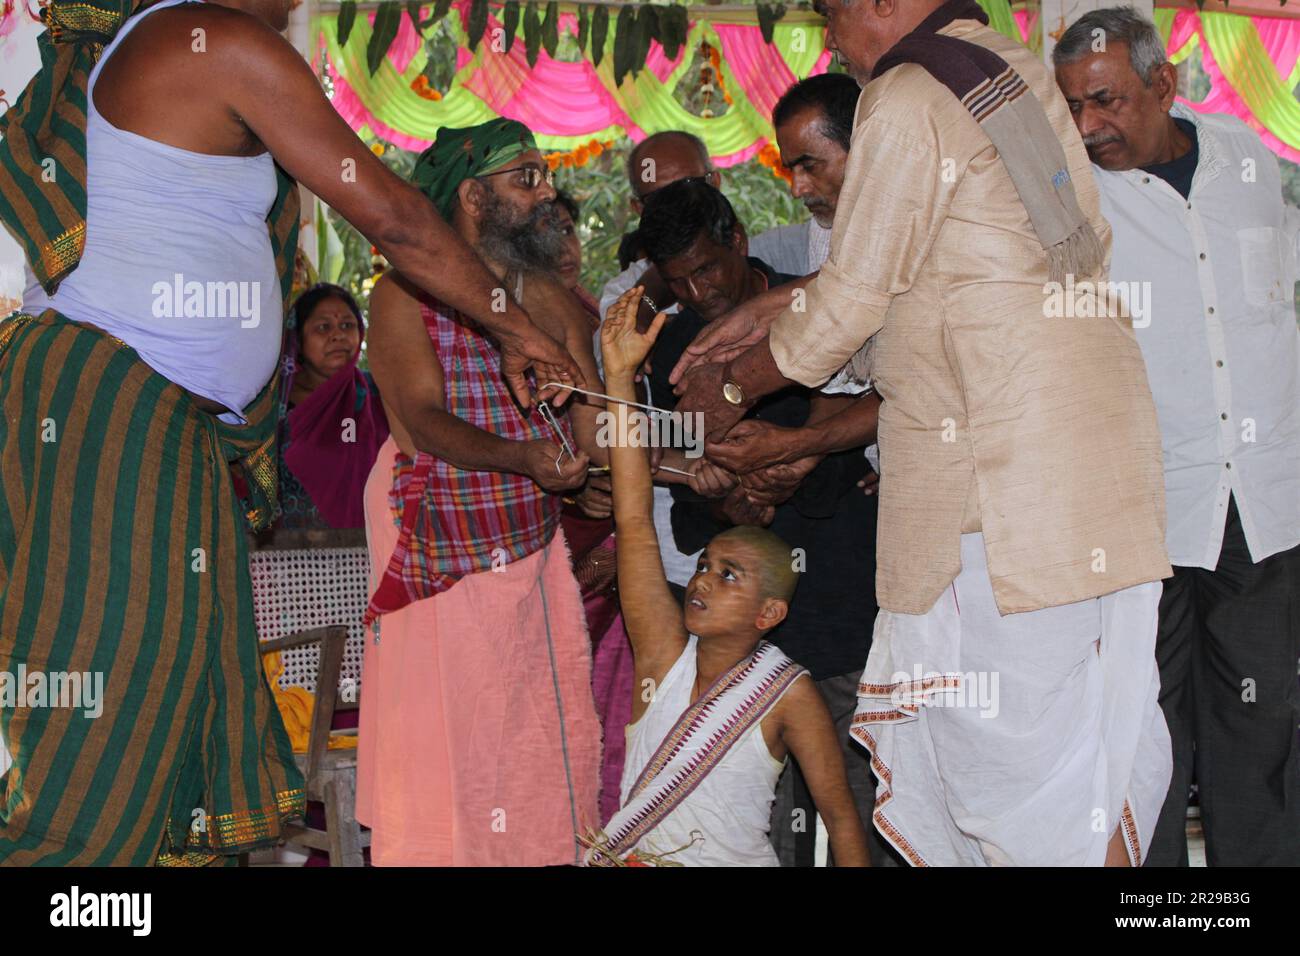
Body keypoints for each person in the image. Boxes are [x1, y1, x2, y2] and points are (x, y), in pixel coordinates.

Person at [0, 0, 581, 866]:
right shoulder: (218, 40)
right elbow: (393, 217)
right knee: (108, 711)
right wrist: (511, 327)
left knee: (176, 695)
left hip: (161, 423)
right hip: (113, 413)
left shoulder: (184, 46)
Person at [671, 0, 1172, 866]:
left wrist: (727, 387)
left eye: (830, 14)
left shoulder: (905, 91)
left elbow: (858, 297)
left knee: (1004, 761)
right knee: (1090, 746)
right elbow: (962, 274)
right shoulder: (1004, 66)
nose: (829, 38)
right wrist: (778, 309)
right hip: (1086, 475)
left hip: (1002, 492)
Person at [1054, 7, 1300, 867]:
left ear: (1164, 85)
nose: (1089, 127)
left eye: (1107, 101)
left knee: (1262, 732)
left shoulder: (1248, 162)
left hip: (1264, 510)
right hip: (1144, 517)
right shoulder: (1073, 202)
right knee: (1145, 738)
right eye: (1076, 107)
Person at [359, 118, 604, 866]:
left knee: (532, 727)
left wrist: (689, 456)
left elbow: (595, 425)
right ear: (471, 196)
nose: (548, 193)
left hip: (526, 542)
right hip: (435, 534)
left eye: (544, 174)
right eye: (525, 178)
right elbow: (424, 423)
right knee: (451, 734)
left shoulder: (548, 295)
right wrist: (524, 456)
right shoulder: (403, 293)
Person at [638, 178, 882, 865]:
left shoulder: (814, 309)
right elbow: (690, 489)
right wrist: (730, 502)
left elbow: (866, 419)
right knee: (759, 809)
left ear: (738, 241)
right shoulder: (676, 348)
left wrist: (795, 463)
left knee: (852, 792)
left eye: (708, 268)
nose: (698, 293)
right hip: (746, 624)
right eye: (679, 281)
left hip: (839, 591)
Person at [586, 283, 870, 867]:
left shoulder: (789, 695)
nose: (702, 581)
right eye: (705, 566)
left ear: (770, 613)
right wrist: (619, 377)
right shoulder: (663, 657)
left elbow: (841, 819)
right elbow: (634, 517)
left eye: (730, 575)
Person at [277, 283, 389, 529]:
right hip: (284, 551)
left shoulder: (378, 394)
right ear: (298, 338)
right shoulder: (276, 404)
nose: (337, 335)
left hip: (368, 547)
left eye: (347, 325)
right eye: (323, 327)